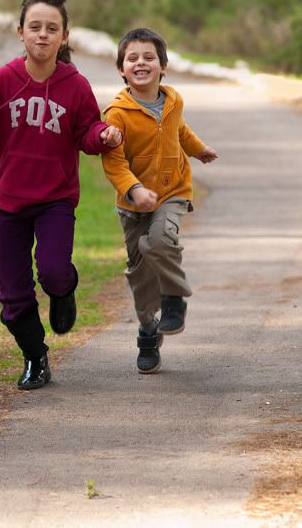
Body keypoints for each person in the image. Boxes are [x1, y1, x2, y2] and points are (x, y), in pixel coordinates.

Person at [0, 0, 122, 390]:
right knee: (13, 296)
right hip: (8, 201)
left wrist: (104, 135)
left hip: (55, 199)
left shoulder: (75, 85)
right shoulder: (4, 80)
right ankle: (35, 357)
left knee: (53, 271)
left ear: (64, 36)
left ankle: (63, 290)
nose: (43, 34)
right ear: (20, 32)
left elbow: (87, 131)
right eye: (35, 27)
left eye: (52, 28)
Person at [101, 27, 218, 374]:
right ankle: (148, 329)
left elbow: (179, 130)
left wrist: (197, 149)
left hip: (172, 192)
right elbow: (114, 163)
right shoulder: (116, 114)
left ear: (163, 66)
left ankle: (174, 299)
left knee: (161, 240)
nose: (141, 63)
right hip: (132, 205)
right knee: (140, 275)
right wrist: (135, 190)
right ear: (121, 69)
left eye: (149, 57)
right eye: (132, 58)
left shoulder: (173, 100)